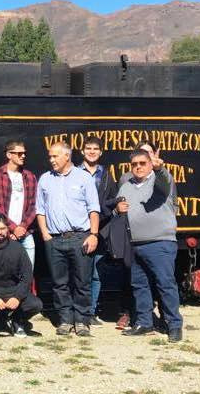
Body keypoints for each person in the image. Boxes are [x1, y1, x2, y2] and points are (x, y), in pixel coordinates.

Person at [118, 148, 183, 342]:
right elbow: (120, 211)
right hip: (135, 243)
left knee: (165, 285)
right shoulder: (126, 186)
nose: (138, 167)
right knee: (139, 286)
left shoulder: (161, 181)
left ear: (150, 164)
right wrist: (117, 209)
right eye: (134, 164)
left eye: (142, 163)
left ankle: (174, 325)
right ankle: (144, 323)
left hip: (160, 242)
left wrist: (160, 168)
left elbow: (165, 178)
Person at [36, 142, 100, 337]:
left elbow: (93, 208)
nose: (51, 160)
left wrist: (93, 235)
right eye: (50, 157)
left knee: (82, 282)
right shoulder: (45, 179)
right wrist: (45, 235)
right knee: (59, 282)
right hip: (54, 239)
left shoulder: (84, 178)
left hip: (80, 236)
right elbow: (40, 209)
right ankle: (65, 319)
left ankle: (82, 320)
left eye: (55, 156)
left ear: (67, 156)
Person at [78, 136, 117, 326]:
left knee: (95, 273)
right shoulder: (75, 172)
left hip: (100, 230)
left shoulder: (107, 175)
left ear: (100, 152)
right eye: (88, 148)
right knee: (78, 273)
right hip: (79, 229)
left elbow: (112, 200)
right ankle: (78, 310)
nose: (92, 151)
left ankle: (91, 311)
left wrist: (103, 214)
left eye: (95, 148)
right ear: (82, 151)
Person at [0, 140, 38, 266]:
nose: (23, 156)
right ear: (9, 155)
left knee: (27, 275)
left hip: (26, 234)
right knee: (5, 275)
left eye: (24, 153)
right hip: (5, 234)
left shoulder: (30, 176)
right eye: (19, 153)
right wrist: (14, 229)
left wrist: (22, 227)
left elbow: (34, 206)